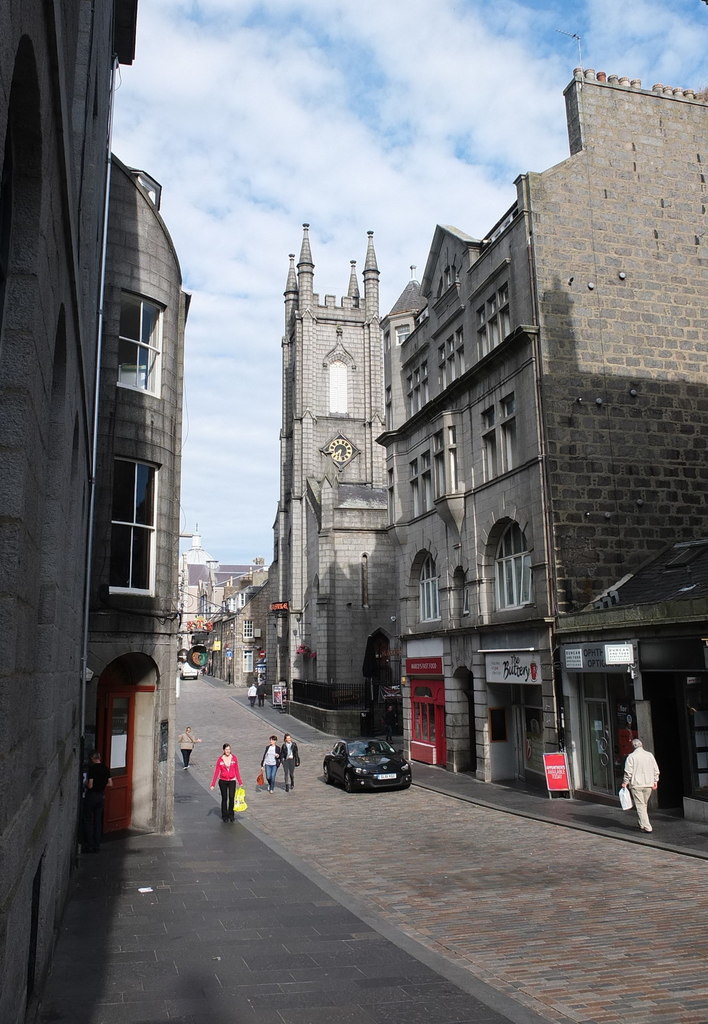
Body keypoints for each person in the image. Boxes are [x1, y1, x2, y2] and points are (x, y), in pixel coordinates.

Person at [621, 738, 660, 833]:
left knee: (640, 805)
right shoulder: (649, 755)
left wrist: (625, 782)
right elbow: (656, 770)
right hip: (648, 784)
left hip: (636, 784)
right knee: (643, 805)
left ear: (633, 746)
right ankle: (642, 823)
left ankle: (647, 826)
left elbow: (628, 772)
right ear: (642, 745)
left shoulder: (631, 757)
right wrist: (655, 781)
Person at [82, 751, 112, 852]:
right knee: (98, 821)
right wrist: (102, 785)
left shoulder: (92, 769)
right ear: (99, 758)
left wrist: (85, 783)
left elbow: (90, 785)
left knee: (88, 820)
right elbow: (110, 783)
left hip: (92, 796)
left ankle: (89, 844)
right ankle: (97, 844)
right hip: (100, 796)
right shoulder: (105, 768)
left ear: (92, 759)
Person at [210, 743, 243, 822]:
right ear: (224, 750)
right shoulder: (220, 759)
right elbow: (216, 772)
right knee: (224, 798)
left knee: (231, 797)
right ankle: (224, 816)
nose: (228, 751)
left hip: (232, 780)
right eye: (226, 749)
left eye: (229, 749)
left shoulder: (234, 758)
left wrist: (240, 781)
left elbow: (236, 770)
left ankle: (231, 814)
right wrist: (213, 784)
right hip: (223, 781)